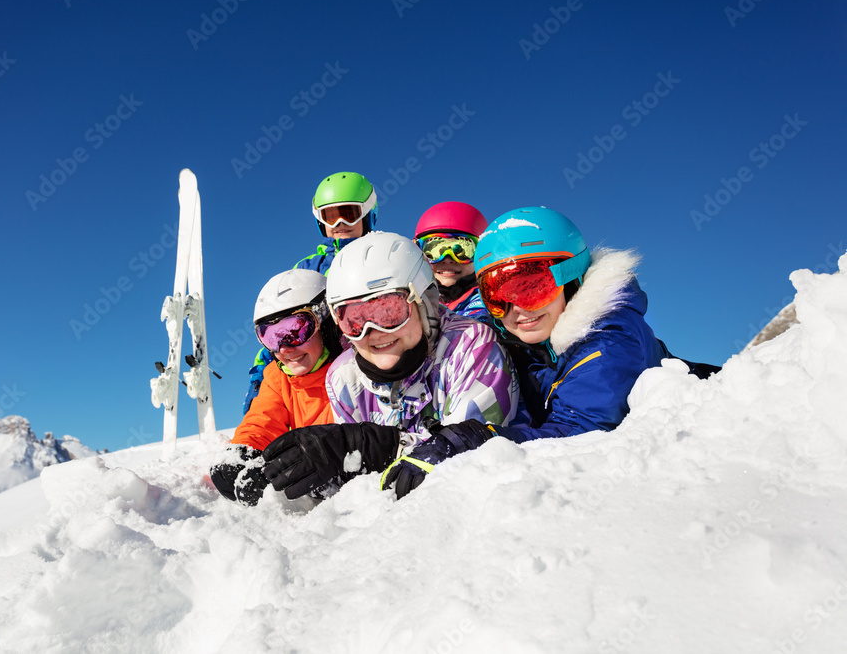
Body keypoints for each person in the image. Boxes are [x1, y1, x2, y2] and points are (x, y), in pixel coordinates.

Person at [262, 231, 520, 500]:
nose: (373, 332)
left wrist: (385, 446)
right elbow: (360, 489)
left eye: (389, 311)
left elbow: (474, 452)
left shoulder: (470, 347)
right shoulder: (344, 378)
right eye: (355, 319)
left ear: (424, 303)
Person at [470, 206, 719, 442]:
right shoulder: (530, 339)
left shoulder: (610, 342)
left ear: (571, 278)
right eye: (497, 297)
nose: (517, 310)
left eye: (533, 288)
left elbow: (577, 434)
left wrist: (485, 439)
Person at [242, 171, 378, 414]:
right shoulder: (309, 268)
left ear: (367, 214)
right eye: (330, 217)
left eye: (348, 215)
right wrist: (260, 370)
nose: (339, 225)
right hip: (323, 360)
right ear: (320, 221)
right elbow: (282, 317)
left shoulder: (383, 256)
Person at [210, 269, 344, 506]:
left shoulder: (353, 366)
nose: (284, 349)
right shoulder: (277, 375)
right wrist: (243, 452)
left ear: (327, 322)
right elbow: (263, 419)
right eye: (271, 337)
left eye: (295, 330)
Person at [413, 201, 491, 322]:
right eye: (435, 250)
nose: (448, 259)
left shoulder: (490, 303)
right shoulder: (409, 301)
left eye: (462, 250)